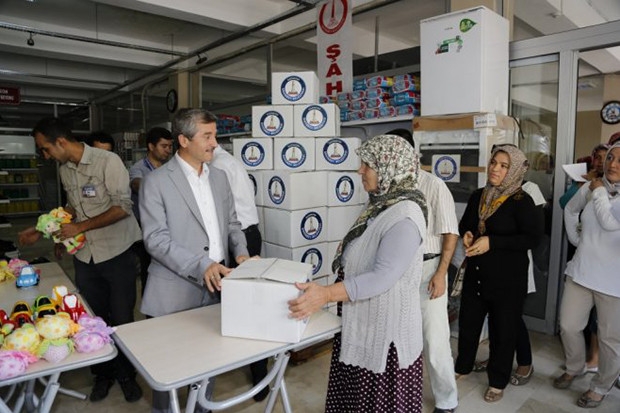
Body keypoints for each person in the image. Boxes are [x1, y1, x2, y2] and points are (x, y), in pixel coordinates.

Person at [288, 134, 428, 412]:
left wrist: (326, 294)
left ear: (390, 167)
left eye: (368, 165)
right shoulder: (381, 205)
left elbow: (382, 277)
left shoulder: (406, 216)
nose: (360, 171)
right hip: (360, 323)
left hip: (385, 339)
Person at [18, 117, 143, 403]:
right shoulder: (65, 170)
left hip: (116, 253)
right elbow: (73, 207)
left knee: (122, 318)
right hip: (85, 255)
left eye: (46, 149)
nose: (45, 156)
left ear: (61, 142)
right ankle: (103, 374)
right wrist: (47, 230)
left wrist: (80, 228)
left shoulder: (107, 161)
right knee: (91, 319)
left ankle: (127, 375)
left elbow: (122, 207)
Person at [139, 108, 250, 413]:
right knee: (168, 373)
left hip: (217, 288)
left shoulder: (220, 179)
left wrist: (240, 251)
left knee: (208, 366)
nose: (215, 143)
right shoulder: (156, 182)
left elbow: (232, 224)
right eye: (208, 136)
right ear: (183, 140)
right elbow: (156, 240)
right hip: (173, 291)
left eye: (215, 135)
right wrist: (203, 266)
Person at [454, 145, 543, 403]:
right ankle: (463, 366)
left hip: (507, 280)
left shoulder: (522, 201)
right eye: (494, 162)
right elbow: (466, 223)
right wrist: (468, 234)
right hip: (477, 274)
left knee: (503, 331)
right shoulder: (479, 195)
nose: (495, 168)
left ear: (514, 170)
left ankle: (497, 381)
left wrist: (493, 242)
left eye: (504, 166)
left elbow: (532, 238)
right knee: (469, 323)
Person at [387, 129, 459, 413]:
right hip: (396, 271)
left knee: (435, 339)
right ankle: (403, 395)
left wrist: (441, 273)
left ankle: (447, 400)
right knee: (397, 337)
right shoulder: (388, 186)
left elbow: (450, 233)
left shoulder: (433, 185)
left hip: (428, 269)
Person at [553, 142, 620, 408]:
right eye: (611, 157)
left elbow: (610, 223)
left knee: (609, 340)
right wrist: (576, 239)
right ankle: (575, 366)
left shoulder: (598, 188)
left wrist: (600, 190)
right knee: (568, 325)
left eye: (619, 160)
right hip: (581, 272)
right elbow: (569, 209)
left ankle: (602, 386)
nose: (613, 163)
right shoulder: (593, 186)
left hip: (614, 283)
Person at [209, 141, 269, 401]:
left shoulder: (218, 166)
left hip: (239, 239)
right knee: (245, 305)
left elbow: (223, 215)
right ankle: (259, 375)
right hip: (247, 234)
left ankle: (259, 376)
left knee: (243, 307)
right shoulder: (229, 162)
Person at [129, 127, 173, 295]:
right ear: (151, 146)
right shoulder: (138, 168)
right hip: (146, 229)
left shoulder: (170, 168)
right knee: (148, 270)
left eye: (170, 146)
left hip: (169, 226)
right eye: (164, 146)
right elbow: (136, 184)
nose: (168, 150)